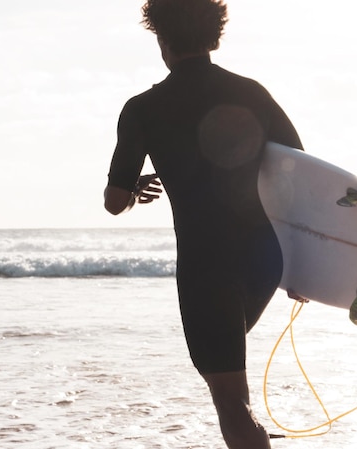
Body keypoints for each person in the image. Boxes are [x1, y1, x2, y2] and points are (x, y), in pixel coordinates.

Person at [104, 1, 303, 447]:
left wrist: (135, 190)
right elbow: (300, 172)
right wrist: (303, 264)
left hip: (206, 268)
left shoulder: (143, 108)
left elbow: (114, 202)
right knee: (234, 388)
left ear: (162, 39)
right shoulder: (252, 92)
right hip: (265, 261)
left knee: (232, 403)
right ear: (213, 34)